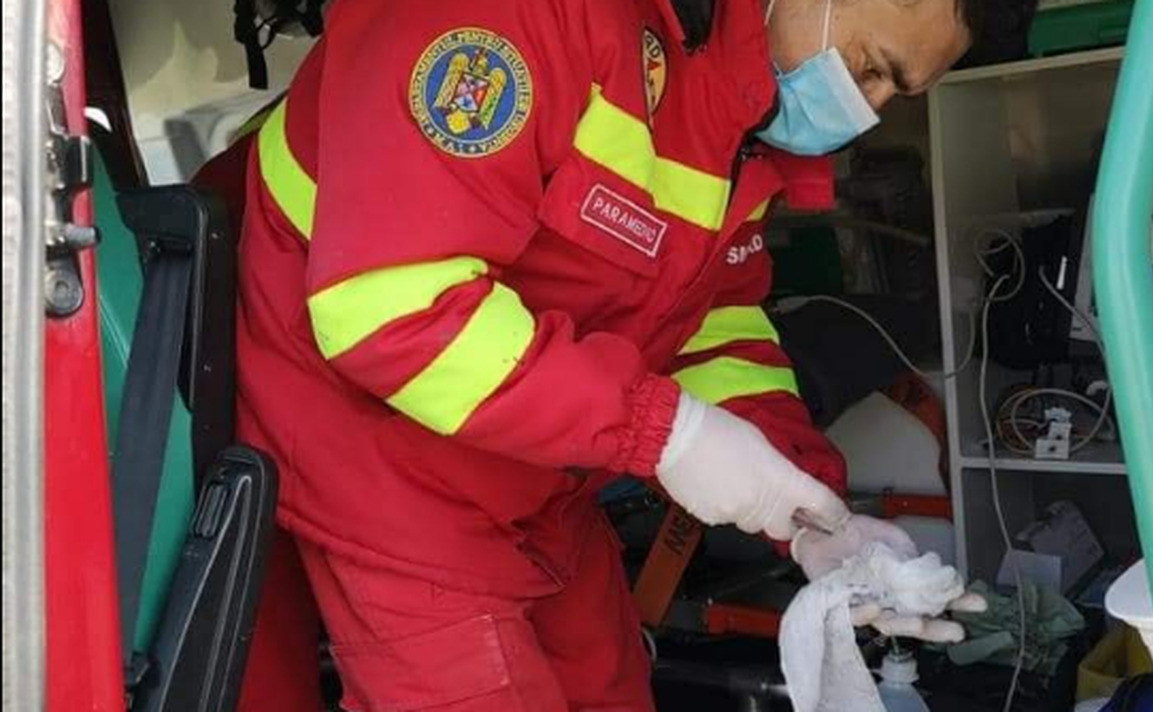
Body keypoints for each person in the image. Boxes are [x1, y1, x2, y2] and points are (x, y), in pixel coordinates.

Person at [222, 0, 1028, 708]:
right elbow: (390, 310)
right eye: (871, 68)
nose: (868, 108)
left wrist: (811, 514)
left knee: (611, 688)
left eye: (894, 93)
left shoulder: (720, 99)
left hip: (536, 468)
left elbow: (707, 321)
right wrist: (664, 433)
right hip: (380, 455)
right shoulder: (523, 17)